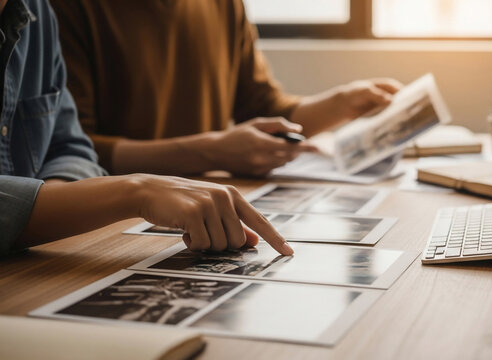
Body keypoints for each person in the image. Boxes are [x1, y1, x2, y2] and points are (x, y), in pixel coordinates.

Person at [0, 0, 292, 257]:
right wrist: (133, 192)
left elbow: (70, 146)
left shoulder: (37, 10)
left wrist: (58, 210)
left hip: (48, 255)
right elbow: (91, 145)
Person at [50, 0, 402, 176]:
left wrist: (345, 103)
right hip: (115, 222)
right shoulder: (65, 8)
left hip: (205, 209)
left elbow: (262, 107)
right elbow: (72, 150)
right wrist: (211, 152)